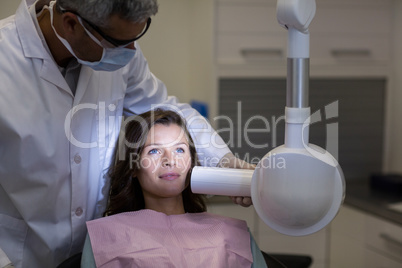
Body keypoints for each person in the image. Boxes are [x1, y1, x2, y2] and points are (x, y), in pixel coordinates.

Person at [0, 0, 252, 267]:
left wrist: (226, 162)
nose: (131, 52)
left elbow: (165, 110)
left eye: (136, 37)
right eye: (119, 43)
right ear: (71, 24)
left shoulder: (118, 51)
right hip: (19, 256)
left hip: (93, 246)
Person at [80, 109, 266, 268]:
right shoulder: (103, 237)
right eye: (154, 151)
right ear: (134, 167)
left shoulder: (233, 234)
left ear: (191, 161)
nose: (170, 160)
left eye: (179, 150)